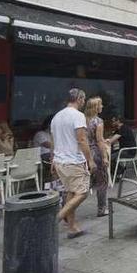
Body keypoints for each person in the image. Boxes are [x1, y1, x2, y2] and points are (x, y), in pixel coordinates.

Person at [50, 88, 93, 239]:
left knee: (71, 192)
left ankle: (72, 227)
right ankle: (54, 221)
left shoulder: (56, 117)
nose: (84, 102)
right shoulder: (78, 116)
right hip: (73, 161)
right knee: (82, 193)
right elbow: (82, 139)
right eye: (84, 99)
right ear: (79, 99)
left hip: (60, 161)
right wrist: (90, 160)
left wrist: (52, 159)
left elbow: (53, 141)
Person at [84, 97, 111, 217]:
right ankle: (102, 209)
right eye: (101, 104)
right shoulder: (98, 121)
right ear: (96, 107)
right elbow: (99, 141)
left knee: (83, 181)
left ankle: (67, 207)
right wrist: (105, 157)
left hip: (84, 153)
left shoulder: (82, 120)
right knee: (102, 181)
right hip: (96, 153)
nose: (102, 106)